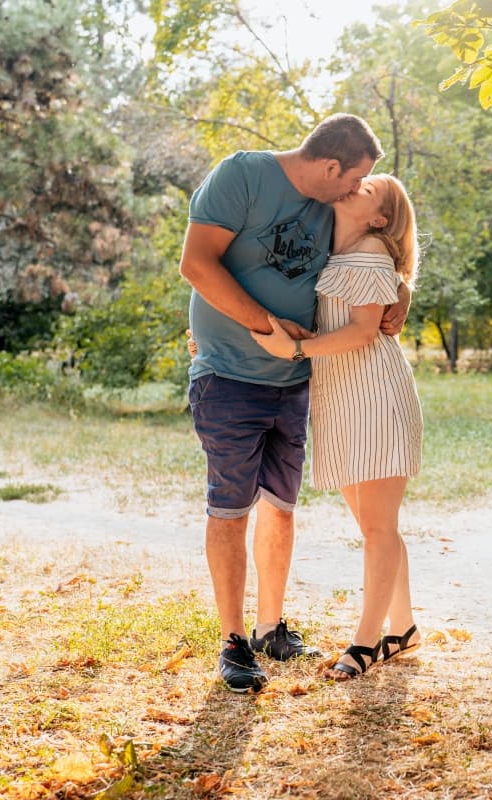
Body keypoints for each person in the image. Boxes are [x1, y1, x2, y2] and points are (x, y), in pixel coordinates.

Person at [181, 113, 410, 693]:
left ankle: (269, 626)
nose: (354, 191)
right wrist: (269, 330)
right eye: (353, 180)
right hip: (231, 376)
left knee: (281, 506)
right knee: (230, 507)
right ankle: (234, 643)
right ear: (331, 167)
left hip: (293, 384)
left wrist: (401, 288)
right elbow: (196, 264)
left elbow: (381, 237)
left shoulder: (329, 205)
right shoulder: (242, 176)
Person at [250, 173, 423, 681]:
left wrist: (296, 349)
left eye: (368, 188)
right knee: (378, 526)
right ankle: (403, 629)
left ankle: (366, 644)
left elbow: (365, 330)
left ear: (380, 218)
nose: (354, 185)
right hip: (344, 398)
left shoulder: (368, 249)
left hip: (374, 396)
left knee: (377, 528)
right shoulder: (336, 245)